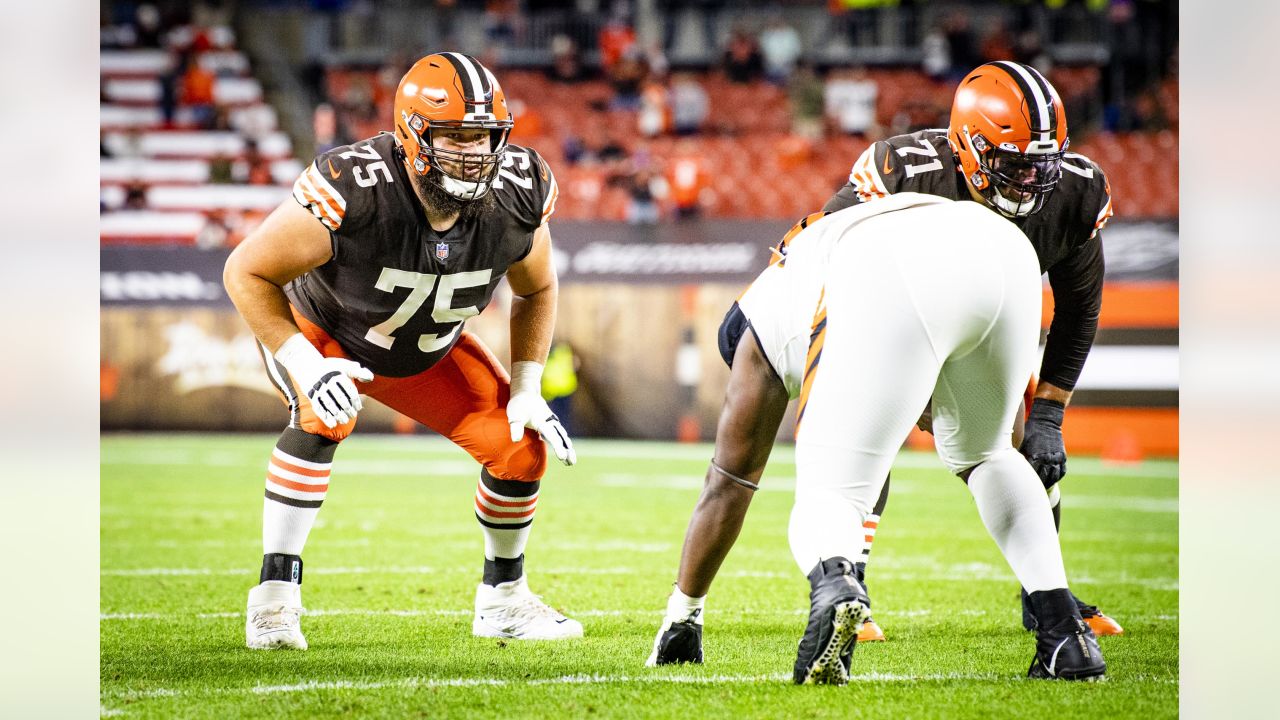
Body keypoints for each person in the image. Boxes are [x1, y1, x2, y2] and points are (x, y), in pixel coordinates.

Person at [647, 194, 1107, 684]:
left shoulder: (759, 335)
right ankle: (1065, 635)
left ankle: (837, 583)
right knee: (990, 454)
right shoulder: (805, 264)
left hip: (890, 265)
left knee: (833, 491)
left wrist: (683, 615)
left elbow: (728, 482)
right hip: (1009, 253)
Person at [223, 52, 580, 651]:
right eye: (457, 136)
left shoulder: (518, 191)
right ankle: (275, 599)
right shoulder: (355, 188)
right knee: (324, 414)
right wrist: (306, 364)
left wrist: (526, 386)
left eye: (486, 136)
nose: (475, 153)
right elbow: (246, 271)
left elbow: (538, 286)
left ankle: (503, 600)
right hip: (327, 332)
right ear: (414, 132)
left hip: (425, 350)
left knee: (519, 450)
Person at [819, 60, 1123, 640]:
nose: (1031, 183)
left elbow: (1079, 307)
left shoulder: (1074, 196)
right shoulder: (907, 171)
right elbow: (825, 250)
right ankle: (849, 589)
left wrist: (1052, 415)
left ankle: (1045, 597)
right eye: (1014, 167)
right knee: (869, 442)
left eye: (1044, 167)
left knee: (1031, 452)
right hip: (888, 322)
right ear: (968, 148)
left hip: (981, 331)